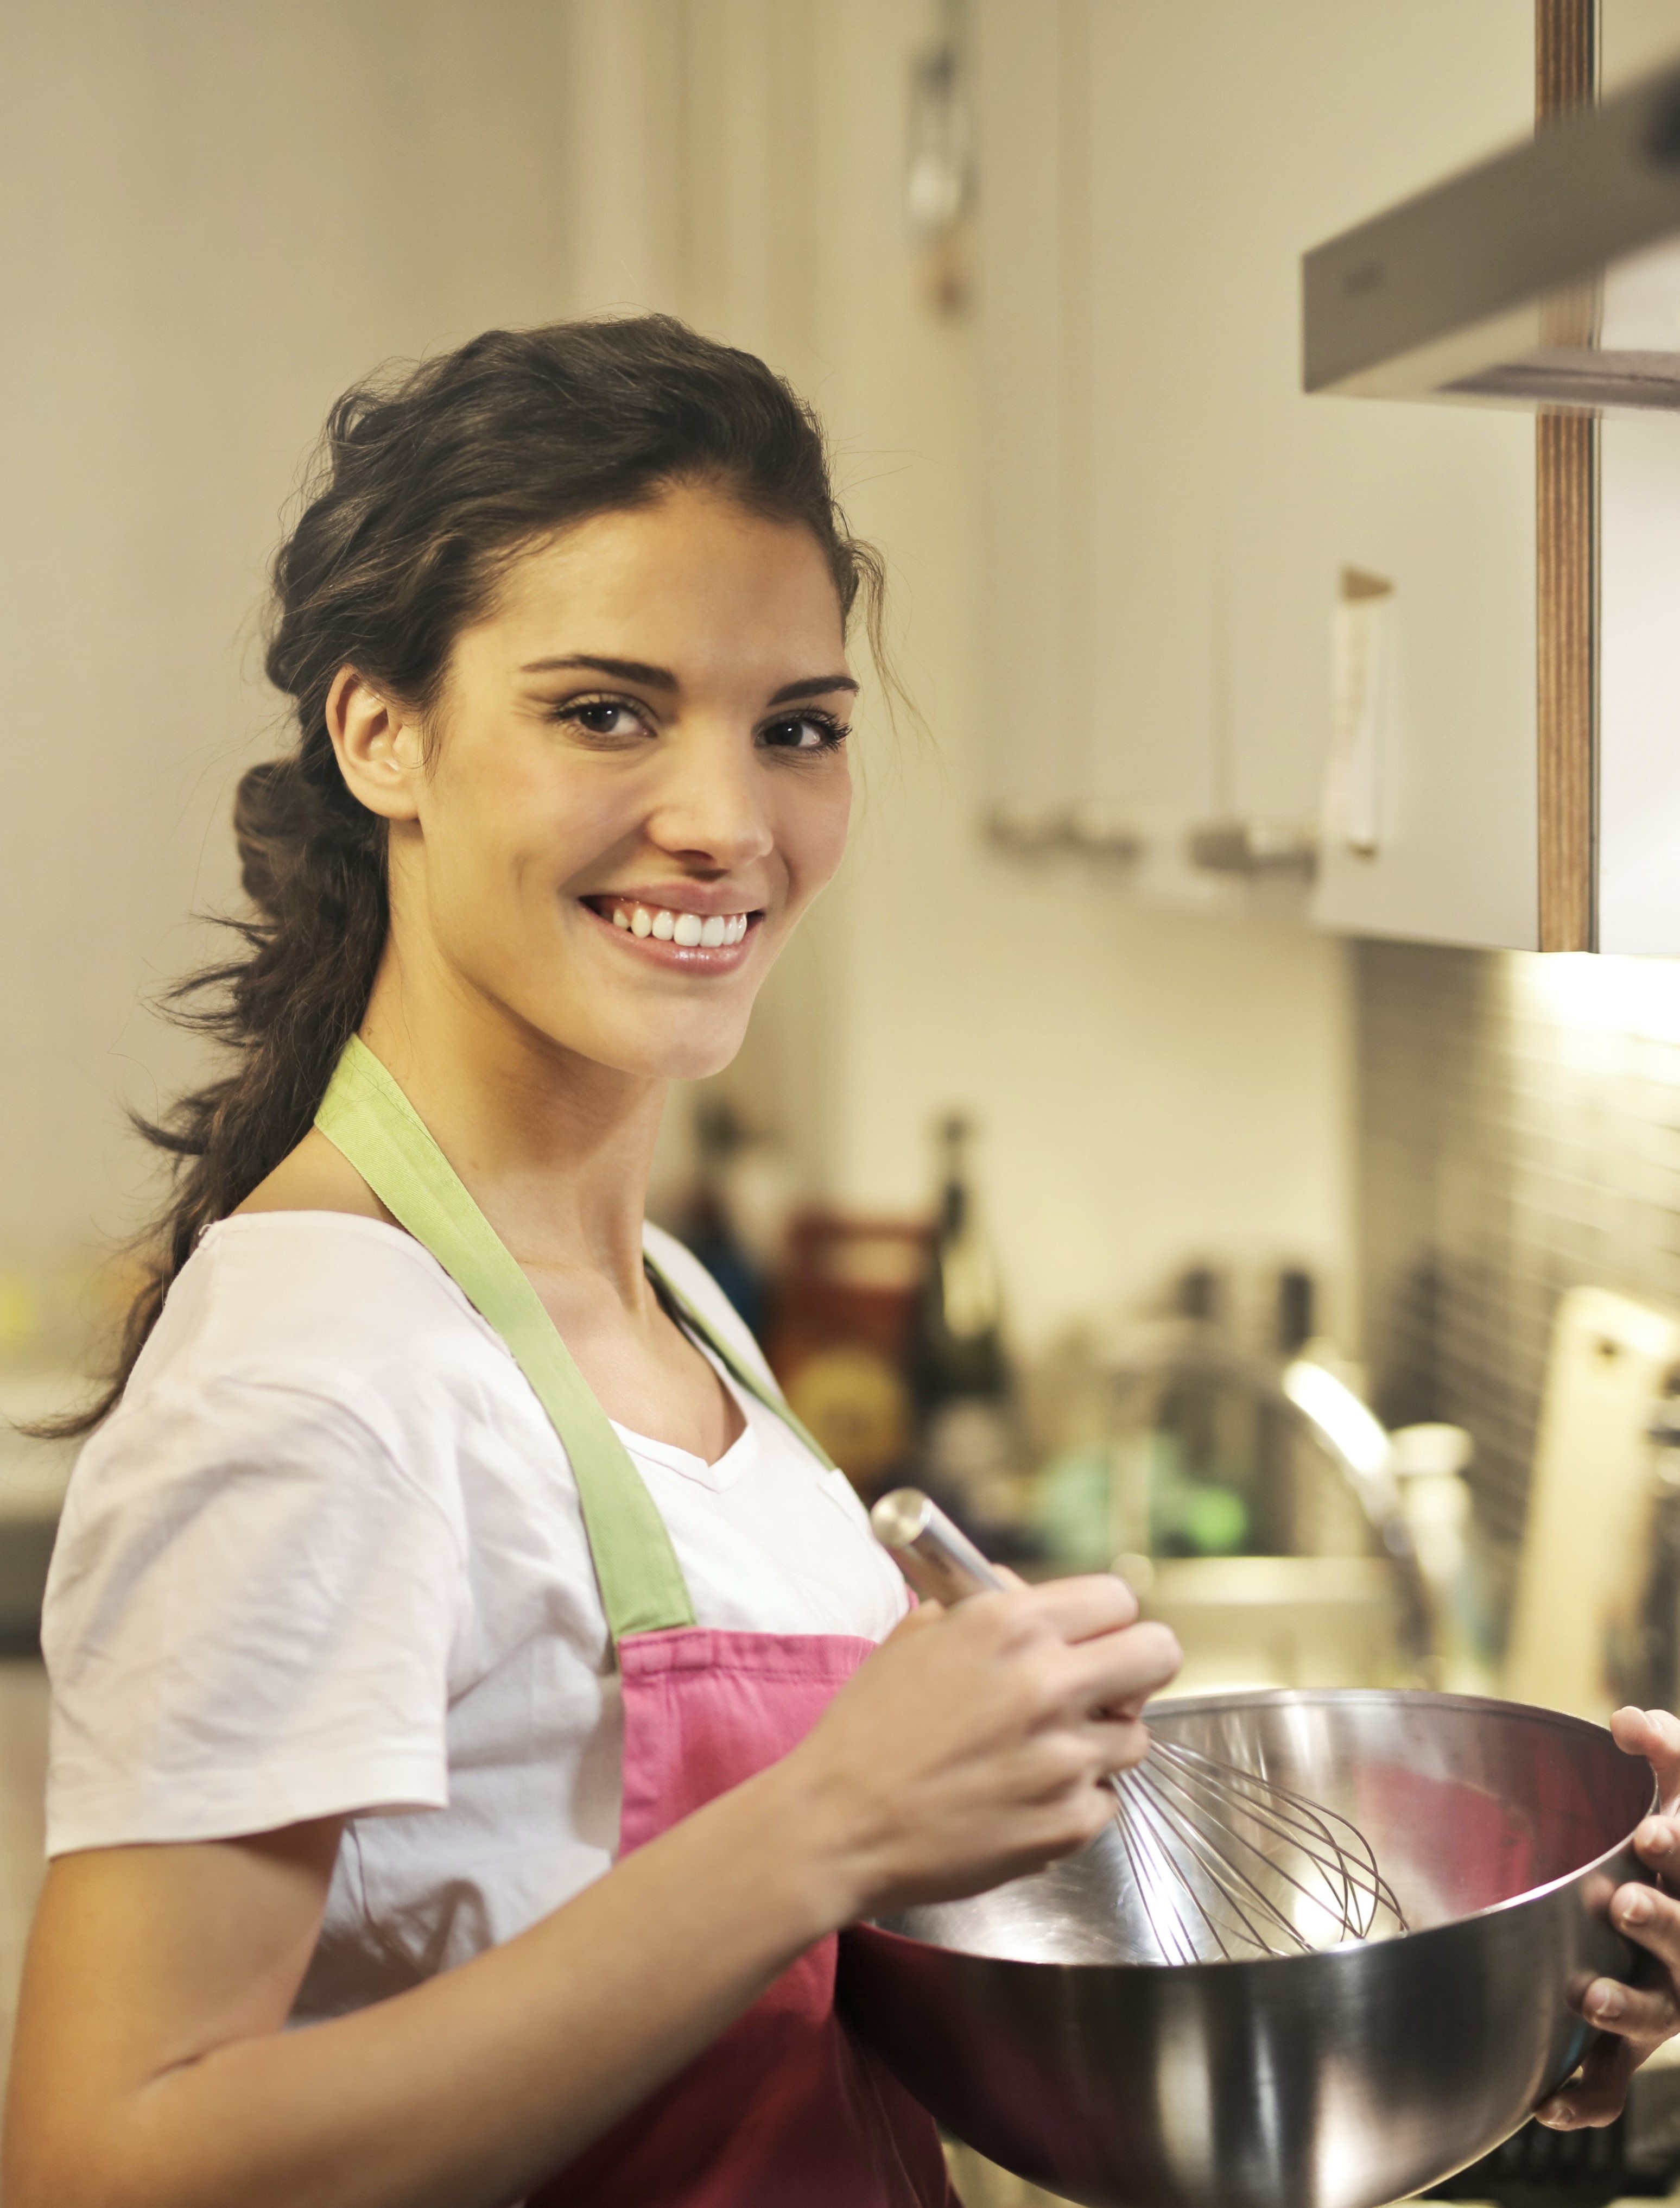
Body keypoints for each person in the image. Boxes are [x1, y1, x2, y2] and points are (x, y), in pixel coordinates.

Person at [1, 315, 1675, 2208]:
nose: (729, 823)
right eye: (605, 710)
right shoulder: (318, 1373)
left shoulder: (674, 1308)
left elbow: (764, 2004)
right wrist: (823, 1822)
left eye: (796, 726)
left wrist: (1487, 2014)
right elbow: (102, 2166)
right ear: (380, 731)